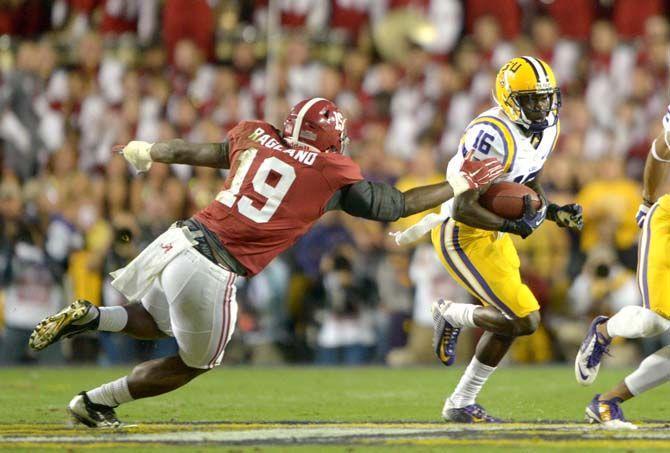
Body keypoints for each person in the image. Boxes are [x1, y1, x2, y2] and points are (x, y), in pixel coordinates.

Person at [28, 97, 503, 428]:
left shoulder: (254, 137)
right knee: (197, 361)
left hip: (179, 239)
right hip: (215, 266)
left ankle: (94, 317)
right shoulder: (328, 171)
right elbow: (395, 204)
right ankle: (95, 402)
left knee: (157, 322)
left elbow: (205, 152)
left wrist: (149, 150)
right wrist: (458, 182)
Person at [396, 57, 583, 423]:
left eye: (545, 98)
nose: (541, 106)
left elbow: (527, 181)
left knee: (515, 318)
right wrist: (515, 227)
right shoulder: (490, 134)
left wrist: (552, 210)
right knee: (524, 318)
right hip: (461, 232)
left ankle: (461, 402)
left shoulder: (546, 128)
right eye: (531, 99)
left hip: (492, 230)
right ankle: (449, 313)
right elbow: (464, 206)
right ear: (508, 98)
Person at [574, 104, 670, 429]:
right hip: (668, 222)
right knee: (655, 320)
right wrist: (646, 200)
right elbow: (660, 149)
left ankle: (607, 401)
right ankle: (604, 330)